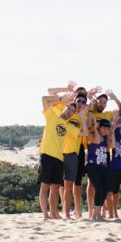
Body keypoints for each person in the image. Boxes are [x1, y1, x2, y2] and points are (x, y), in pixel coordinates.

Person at [37, 89, 75, 220]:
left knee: (55, 189)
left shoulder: (69, 126)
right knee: (44, 187)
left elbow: (85, 134)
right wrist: (62, 98)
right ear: (64, 107)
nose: (70, 111)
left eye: (72, 111)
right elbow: (44, 98)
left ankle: (54, 213)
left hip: (59, 158)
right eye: (69, 108)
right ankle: (45, 215)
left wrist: (81, 117)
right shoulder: (52, 115)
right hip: (47, 155)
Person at [83, 113, 114, 221]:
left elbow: (113, 145)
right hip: (93, 166)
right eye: (103, 128)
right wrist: (96, 128)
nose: (105, 130)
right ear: (99, 127)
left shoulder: (106, 138)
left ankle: (98, 214)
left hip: (104, 166)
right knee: (99, 189)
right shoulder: (92, 134)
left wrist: (112, 132)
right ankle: (95, 214)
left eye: (107, 128)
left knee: (105, 190)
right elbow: (96, 141)